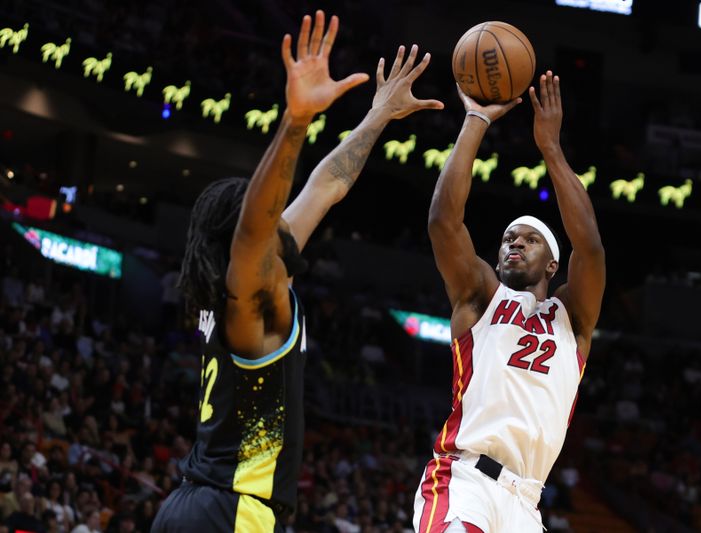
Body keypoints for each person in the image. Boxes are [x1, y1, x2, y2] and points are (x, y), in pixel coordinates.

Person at [151, 9, 442, 533]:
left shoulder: (252, 285)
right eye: (270, 220)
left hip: (199, 505)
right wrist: (295, 122)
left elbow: (326, 186)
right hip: (231, 510)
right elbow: (252, 233)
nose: (284, 220)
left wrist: (377, 115)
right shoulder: (252, 299)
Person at [415, 71, 605, 532]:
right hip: (464, 480)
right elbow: (444, 220)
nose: (513, 245)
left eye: (529, 240)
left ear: (553, 266)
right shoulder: (481, 297)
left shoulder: (572, 319)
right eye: (506, 239)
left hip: (526, 502)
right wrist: (476, 119)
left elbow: (591, 248)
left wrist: (551, 150)